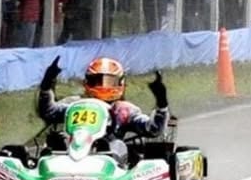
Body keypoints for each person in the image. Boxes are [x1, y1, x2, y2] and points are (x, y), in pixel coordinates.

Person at [36, 54, 169, 167]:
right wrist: (47, 85)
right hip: (73, 150)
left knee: (117, 144)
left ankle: (111, 163)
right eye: (97, 81)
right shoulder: (75, 103)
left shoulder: (123, 110)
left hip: (107, 156)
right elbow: (49, 111)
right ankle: (54, 161)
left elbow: (153, 129)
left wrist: (162, 104)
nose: (103, 86)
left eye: (109, 82)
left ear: (120, 83)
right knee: (56, 138)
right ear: (88, 82)